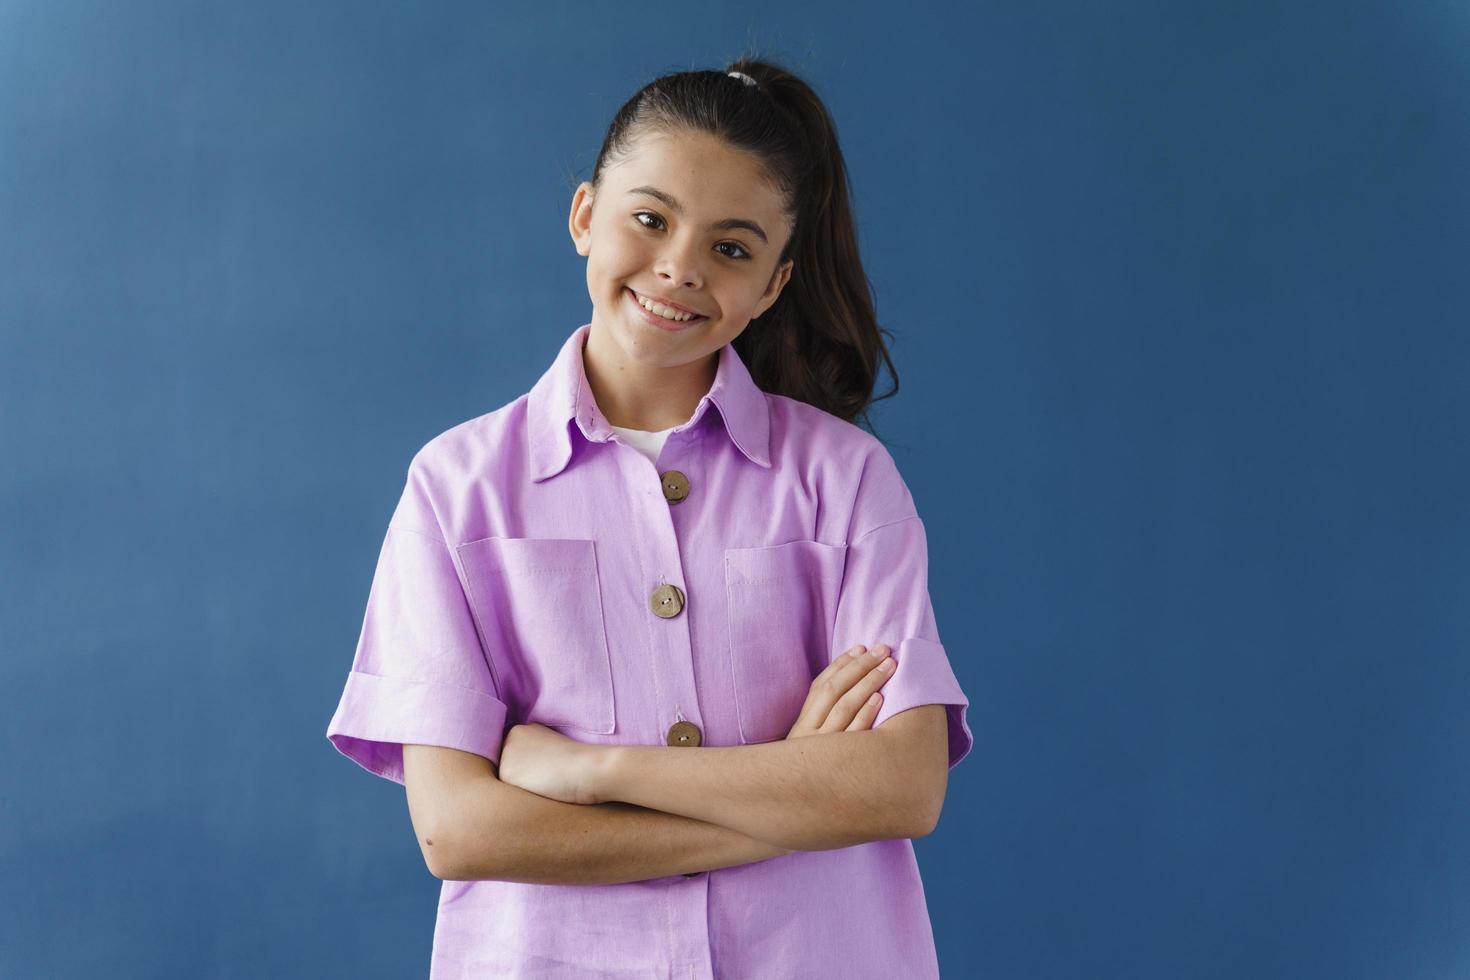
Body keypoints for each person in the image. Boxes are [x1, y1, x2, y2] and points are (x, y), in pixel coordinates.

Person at [325, 56, 973, 979]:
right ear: (586, 215)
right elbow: (460, 830)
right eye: (650, 219)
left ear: (775, 285)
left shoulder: (846, 479)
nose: (680, 267)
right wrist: (789, 792)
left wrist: (596, 774)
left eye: (733, 248)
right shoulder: (456, 486)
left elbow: (901, 788)